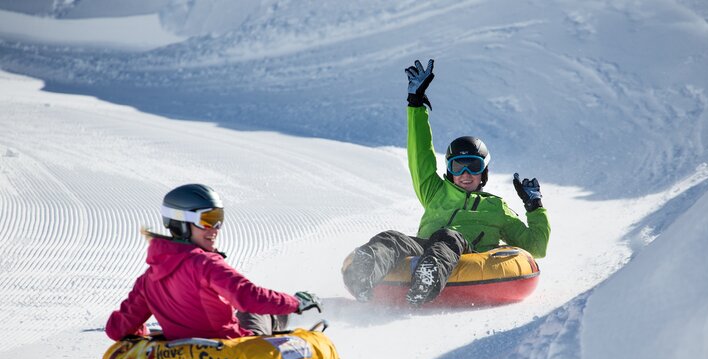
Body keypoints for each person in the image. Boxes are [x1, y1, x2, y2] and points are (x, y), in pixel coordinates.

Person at [342, 59, 550, 306]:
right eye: (456, 166)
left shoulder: (496, 207)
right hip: (425, 250)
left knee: (448, 236)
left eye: (472, 166)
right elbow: (420, 155)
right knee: (391, 238)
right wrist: (416, 104)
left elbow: (536, 247)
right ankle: (364, 278)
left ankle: (427, 281)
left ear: (484, 171)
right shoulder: (435, 191)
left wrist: (534, 206)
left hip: (467, 254)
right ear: (449, 170)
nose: (464, 173)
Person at [105, 183, 321, 341]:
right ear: (181, 222)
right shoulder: (205, 263)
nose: (215, 228)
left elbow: (117, 330)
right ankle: (281, 335)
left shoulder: (149, 278)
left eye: (219, 218)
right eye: (207, 219)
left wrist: (146, 338)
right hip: (231, 352)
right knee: (255, 309)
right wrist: (294, 302)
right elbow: (247, 297)